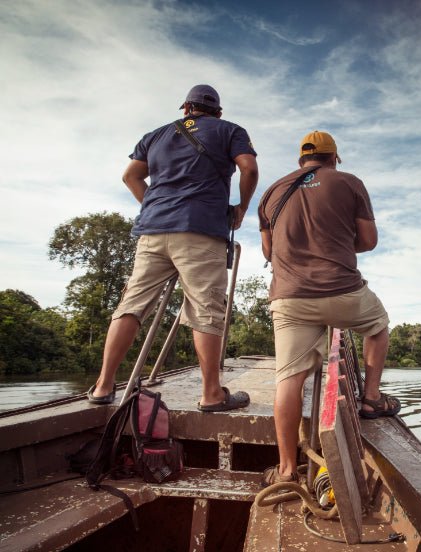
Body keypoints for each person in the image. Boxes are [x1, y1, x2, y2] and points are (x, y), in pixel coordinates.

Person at [87, 84, 259, 412]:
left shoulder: (154, 136)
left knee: (132, 305)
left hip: (152, 232)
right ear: (218, 112)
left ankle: (102, 386)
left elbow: (131, 176)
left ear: (186, 108)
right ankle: (211, 394)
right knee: (206, 310)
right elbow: (249, 168)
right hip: (201, 230)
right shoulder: (230, 130)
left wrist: (153, 205)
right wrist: (241, 208)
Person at [257, 130, 400, 483]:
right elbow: (368, 241)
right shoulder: (349, 182)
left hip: (290, 299)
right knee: (378, 327)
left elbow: (267, 251)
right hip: (341, 292)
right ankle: (370, 399)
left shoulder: (272, 192)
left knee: (288, 379)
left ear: (300, 160)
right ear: (333, 158)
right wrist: (335, 239)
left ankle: (287, 469)